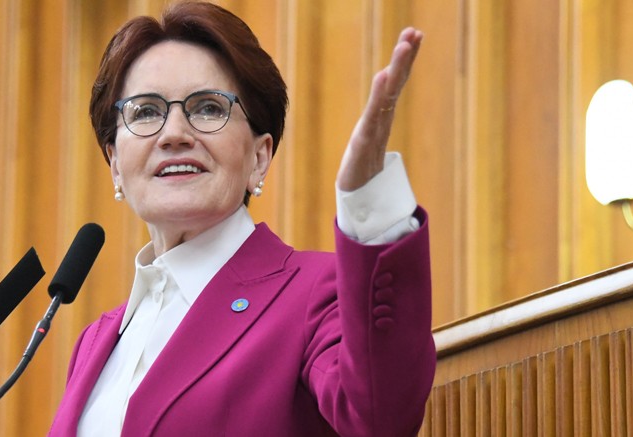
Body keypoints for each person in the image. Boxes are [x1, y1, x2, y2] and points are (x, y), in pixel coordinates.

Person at [48, 2, 434, 436]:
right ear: (116, 164)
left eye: (208, 108)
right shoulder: (94, 343)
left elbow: (380, 416)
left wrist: (368, 197)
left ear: (259, 157)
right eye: (146, 111)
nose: (173, 134)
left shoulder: (313, 293)